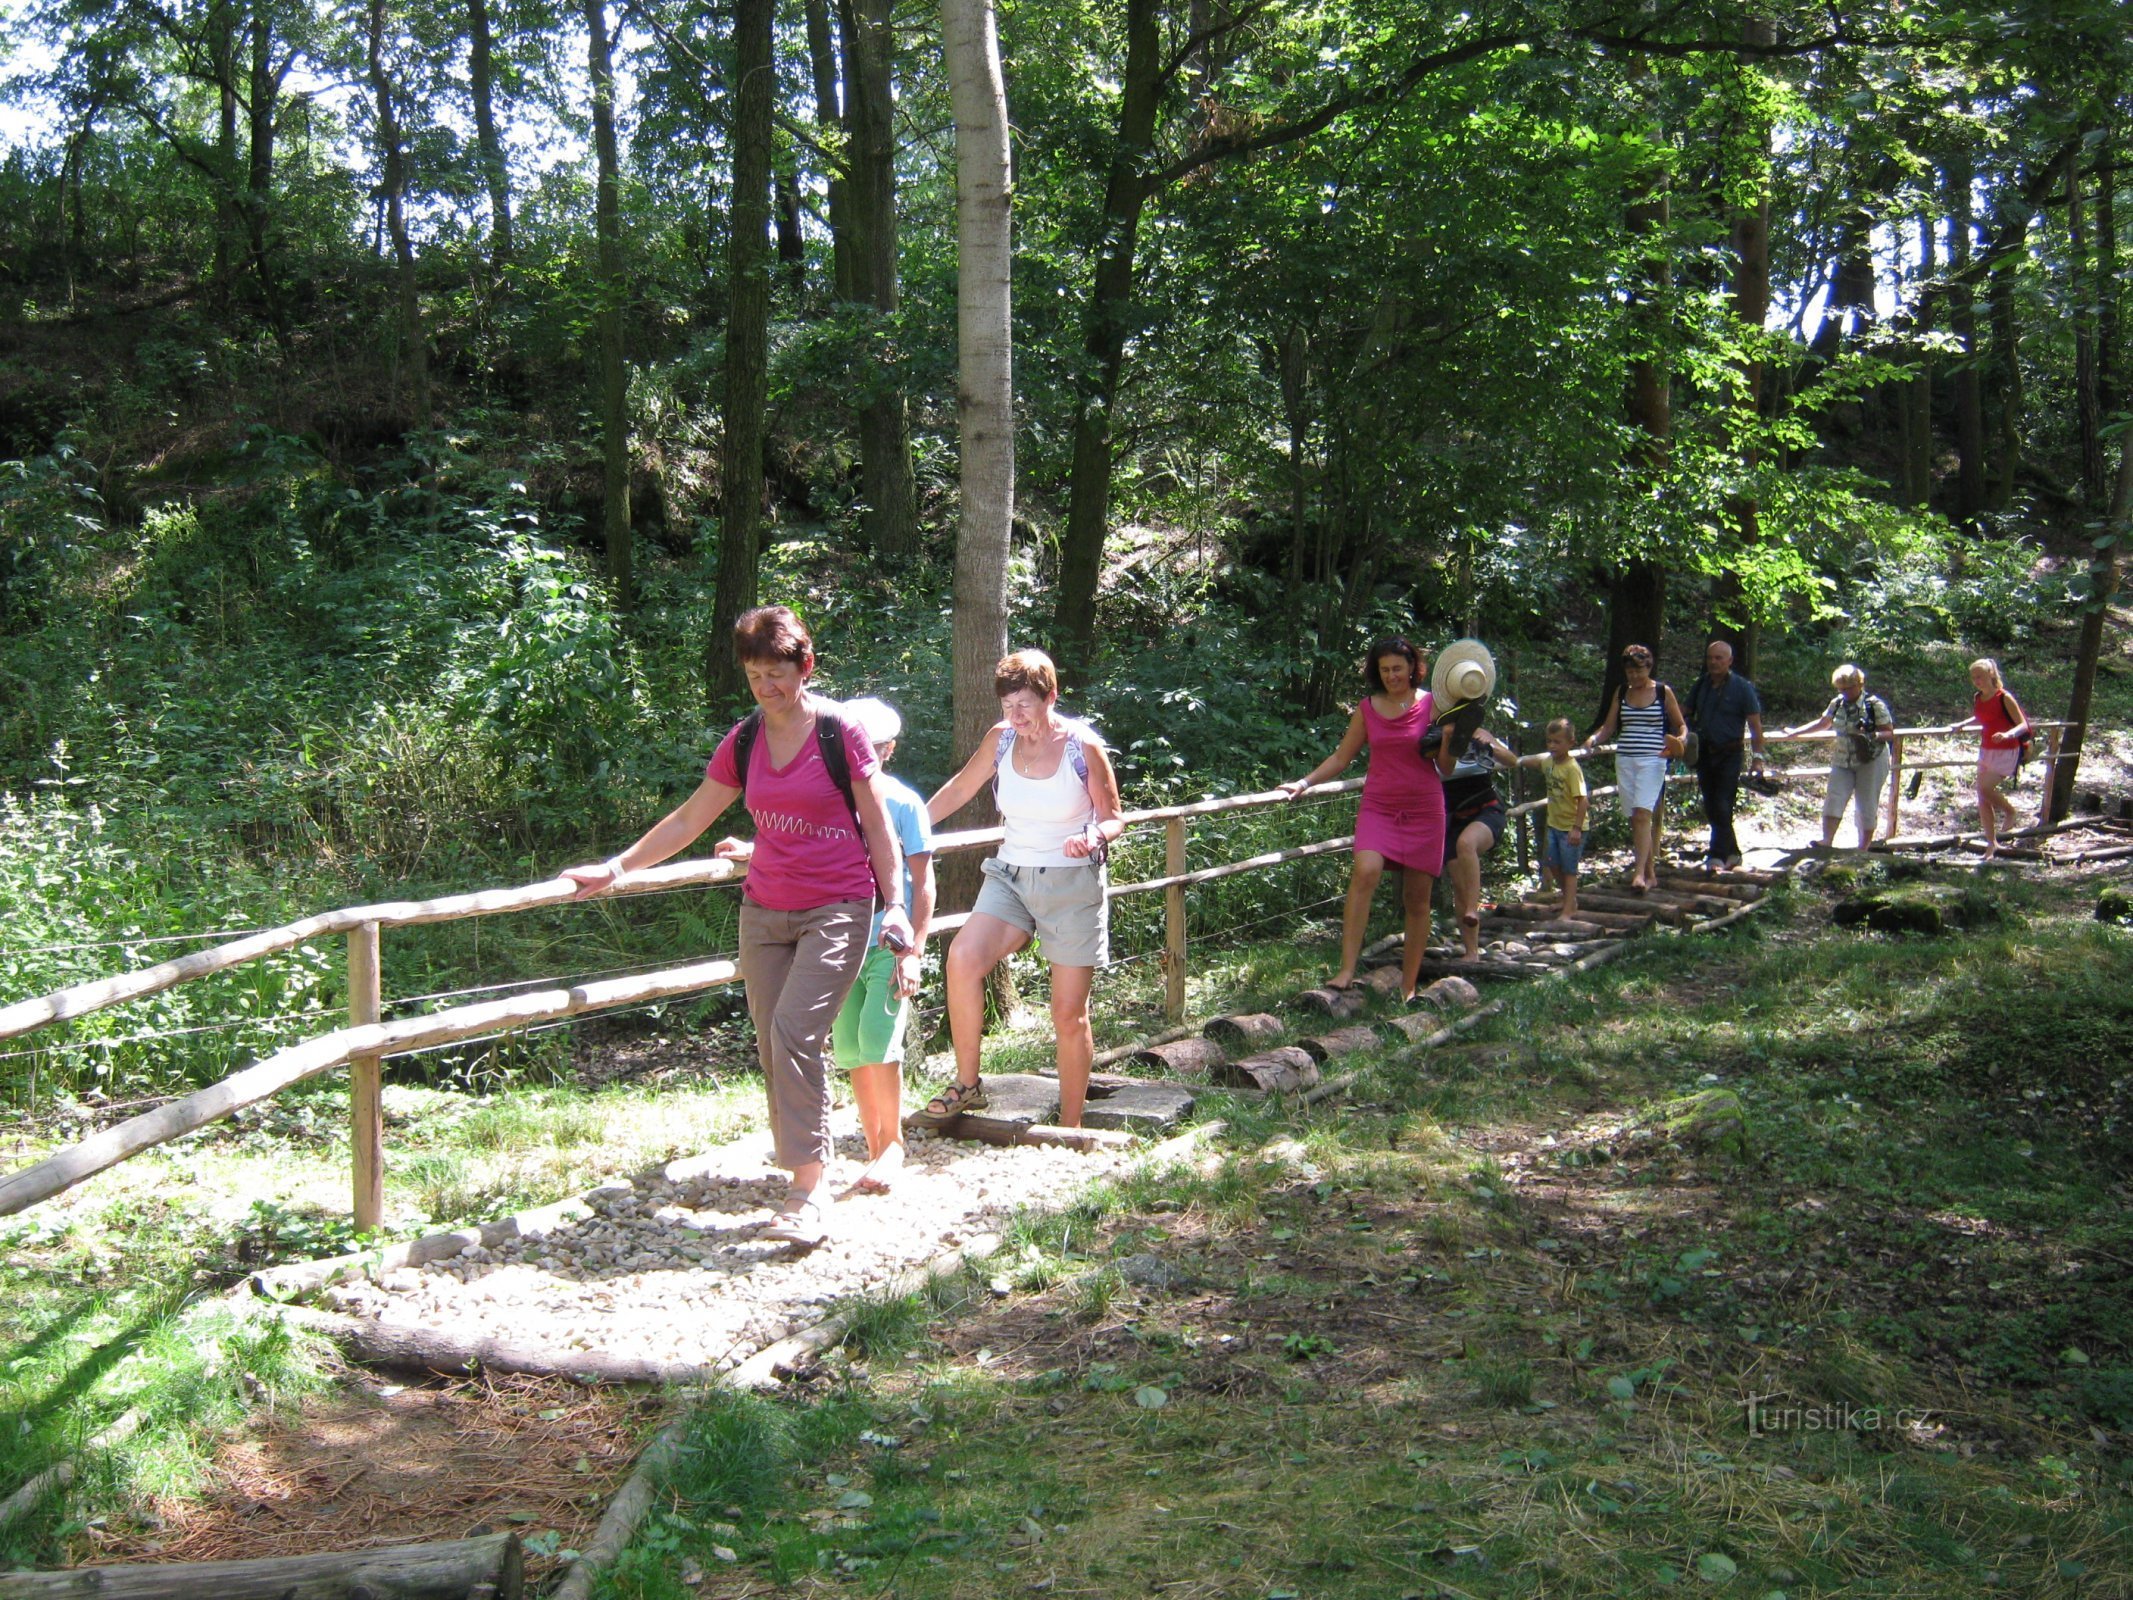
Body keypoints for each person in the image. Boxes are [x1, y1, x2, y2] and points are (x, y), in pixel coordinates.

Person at [562, 606, 913, 1249]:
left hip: (838, 904)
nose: (765, 687)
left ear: (805, 668)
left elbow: (879, 826)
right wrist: (615, 869)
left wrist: (896, 906)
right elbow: (689, 818)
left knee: (795, 1030)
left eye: (776, 673)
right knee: (771, 1039)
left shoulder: (838, 733)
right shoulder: (745, 739)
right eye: (754, 675)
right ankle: (801, 1165)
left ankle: (808, 1189)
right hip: (764, 909)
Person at [915, 649, 1124, 1130]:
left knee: (1068, 1013)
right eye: (1008, 705)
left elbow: (1113, 817)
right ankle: (968, 1085)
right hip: (1010, 875)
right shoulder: (1000, 738)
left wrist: (1092, 836)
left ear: (1051, 697)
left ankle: (1069, 1127)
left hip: (1071, 882)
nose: (1016, 716)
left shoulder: (1082, 747)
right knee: (963, 959)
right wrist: (910, 825)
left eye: (1026, 704)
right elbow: (960, 788)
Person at [1280, 636, 1458, 1001]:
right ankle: (1346, 969)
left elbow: (1446, 767)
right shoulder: (1368, 707)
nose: (1392, 675)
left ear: (1413, 667)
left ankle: (1408, 985)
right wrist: (1303, 782)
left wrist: (1450, 739)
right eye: (1384, 669)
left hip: (1425, 809)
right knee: (1365, 871)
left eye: (1398, 667)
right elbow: (1341, 757)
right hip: (1379, 807)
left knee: (1418, 899)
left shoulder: (1435, 705)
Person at [829, 698, 934, 1193]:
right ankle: (873, 1148)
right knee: (849, 1046)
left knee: (878, 1038)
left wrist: (913, 950)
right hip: (836, 942)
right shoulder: (827, 799)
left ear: (888, 750)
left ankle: (891, 1145)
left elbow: (923, 882)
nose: (861, 755)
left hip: (887, 945)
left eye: (871, 747)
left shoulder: (903, 803)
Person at [1585, 644, 1686, 892]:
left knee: (1643, 813)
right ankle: (1650, 872)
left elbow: (1681, 726)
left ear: (1648, 668)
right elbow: (1609, 726)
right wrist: (1593, 740)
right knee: (1635, 819)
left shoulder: (1663, 692)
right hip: (1626, 759)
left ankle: (1638, 874)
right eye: (1630, 672)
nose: (1634, 676)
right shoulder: (1621, 692)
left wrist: (1680, 741)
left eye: (1638, 671)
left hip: (1653, 760)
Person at [1778, 665, 1895, 851]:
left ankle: (1863, 848)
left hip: (1871, 759)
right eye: (1841, 688)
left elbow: (1889, 733)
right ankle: (1827, 840)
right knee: (1835, 795)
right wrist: (1796, 732)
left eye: (1848, 688)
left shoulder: (1874, 705)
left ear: (1859, 684)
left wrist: (1869, 735)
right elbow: (1823, 723)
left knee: (1866, 802)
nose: (1844, 692)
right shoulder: (1837, 703)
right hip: (1843, 758)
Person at [1682, 639, 1768, 874]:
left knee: (1722, 803)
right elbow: (1683, 713)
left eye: (1719, 658)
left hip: (1730, 754)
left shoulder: (1742, 688)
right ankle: (1733, 852)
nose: (1713, 662)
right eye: (1710, 658)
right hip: (1704, 755)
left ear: (1730, 661)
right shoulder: (1701, 685)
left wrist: (1758, 758)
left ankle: (1716, 855)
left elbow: (1755, 726)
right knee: (1711, 805)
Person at [1441, 722, 1519, 960]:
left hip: (1487, 811)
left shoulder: (1480, 733)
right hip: (1454, 818)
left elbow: (1512, 761)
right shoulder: (1436, 738)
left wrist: (1490, 745)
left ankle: (1473, 909)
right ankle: (1471, 951)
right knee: (1458, 883)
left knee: (1466, 844)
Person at [1962, 658, 2030, 859]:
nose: (1977, 681)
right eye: (1974, 678)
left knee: (1984, 788)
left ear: (1991, 675)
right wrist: (1961, 724)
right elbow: (1982, 717)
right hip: (1986, 750)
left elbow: (2023, 725)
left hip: (2006, 751)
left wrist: (2008, 735)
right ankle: (1991, 845)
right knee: (1982, 798)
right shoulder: (1978, 697)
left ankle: (2010, 811)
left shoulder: (2004, 697)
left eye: (1980, 677)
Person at [1540, 717, 1588, 919]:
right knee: (1552, 862)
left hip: (1571, 826)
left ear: (1570, 743)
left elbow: (1583, 800)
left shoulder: (1572, 768)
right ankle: (1569, 898)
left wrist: (1576, 828)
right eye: (1549, 741)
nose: (1552, 746)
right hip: (1554, 824)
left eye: (1557, 742)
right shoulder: (1549, 763)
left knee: (1569, 869)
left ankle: (1568, 908)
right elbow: (1538, 763)